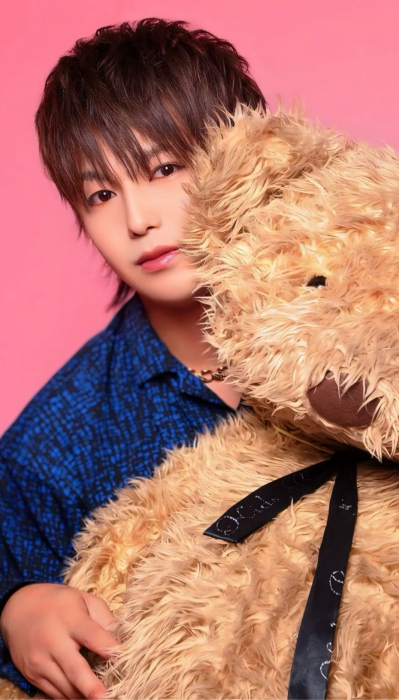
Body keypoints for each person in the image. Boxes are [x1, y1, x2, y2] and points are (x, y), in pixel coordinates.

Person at [0, 18, 266, 699]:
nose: (137, 219)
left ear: (247, 152)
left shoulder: (370, 326)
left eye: (165, 168)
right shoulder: (58, 437)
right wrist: (15, 611)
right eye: (101, 194)